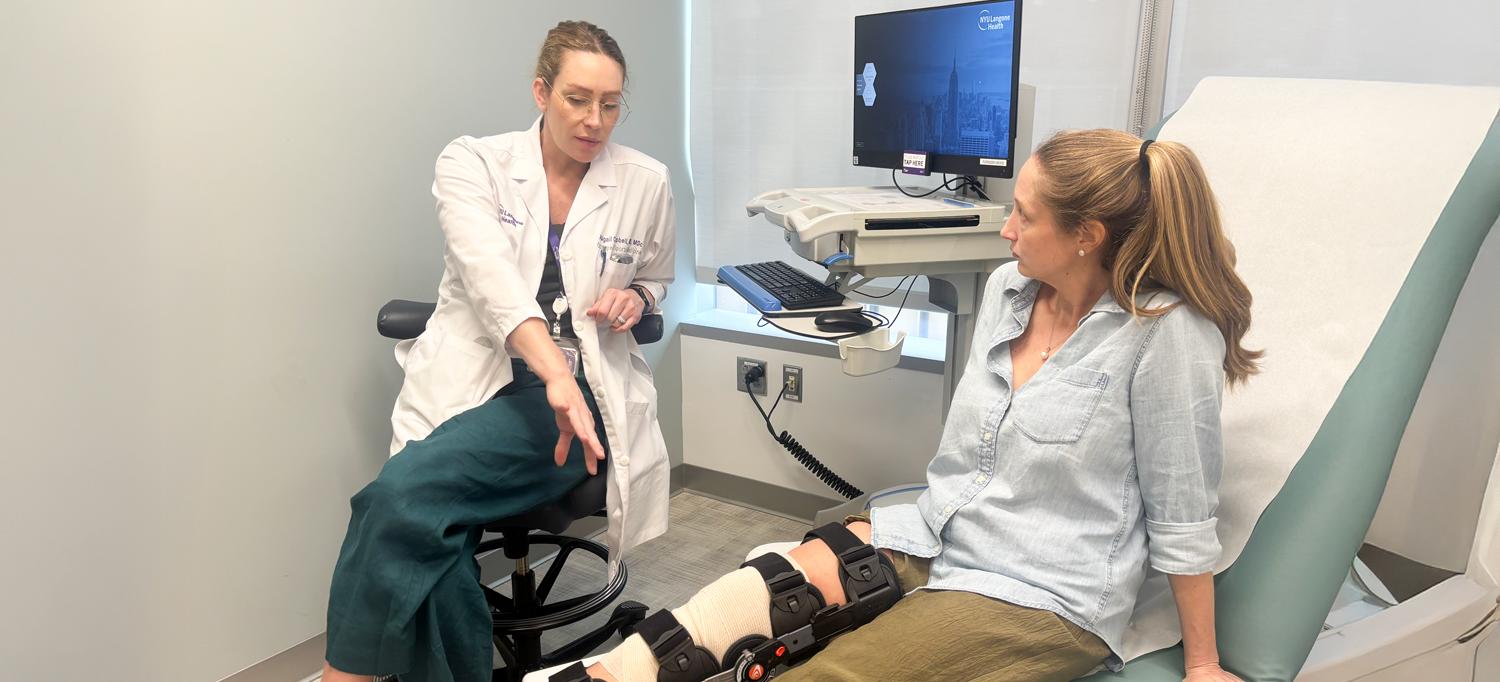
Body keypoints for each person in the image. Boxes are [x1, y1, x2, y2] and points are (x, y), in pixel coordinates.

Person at [560, 129, 1259, 682]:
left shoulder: (1164, 336)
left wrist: (1201, 665)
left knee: (818, 675)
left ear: (1087, 236)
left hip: (1042, 591)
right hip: (939, 531)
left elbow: (1182, 511)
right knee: (741, 602)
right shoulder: (1008, 292)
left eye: (1025, 214)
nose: (1007, 231)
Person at [321, 20, 675, 682]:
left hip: (574, 394)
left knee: (396, 501)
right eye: (577, 98)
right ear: (541, 92)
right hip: (481, 376)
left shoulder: (645, 182)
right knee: (429, 526)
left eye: (610, 102)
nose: (595, 119)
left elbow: (656, 277)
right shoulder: (473, 163)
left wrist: (640, 302)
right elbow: (491, 282)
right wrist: (549, 370)